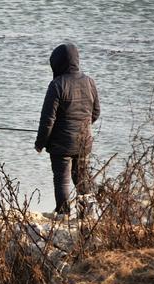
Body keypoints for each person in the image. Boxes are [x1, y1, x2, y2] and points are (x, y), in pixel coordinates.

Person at [34, 43, 100, 218]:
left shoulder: (56, 85)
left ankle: (63, 213)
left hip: (61, 145)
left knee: (62, 179)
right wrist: (83, 126)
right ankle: (86, 215)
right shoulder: (89, 82)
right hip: (84, 141)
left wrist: (40, 143)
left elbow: (48, 120)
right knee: (83, 179)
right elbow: (96, 113)